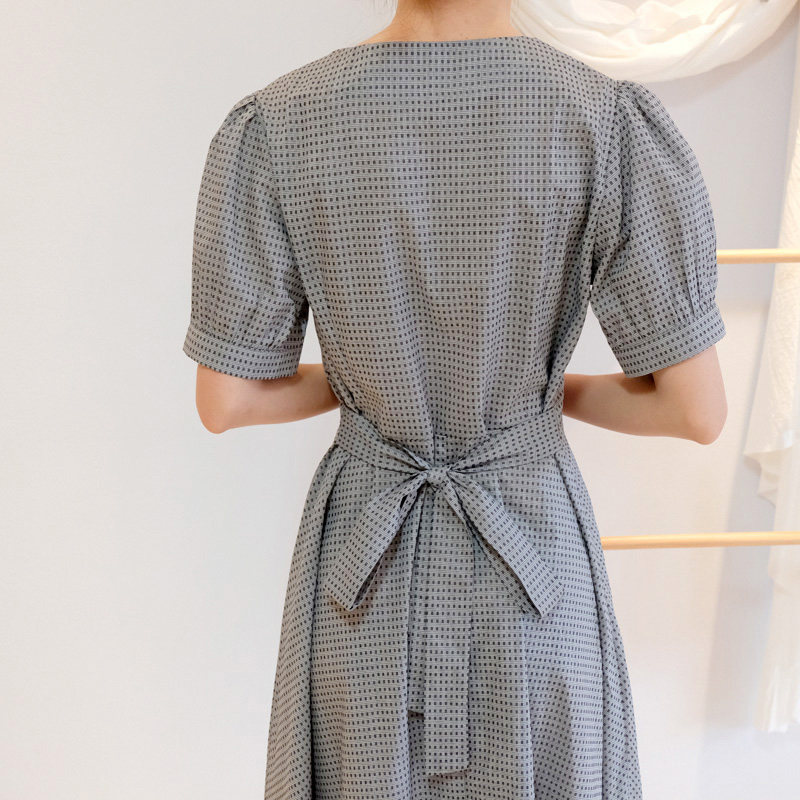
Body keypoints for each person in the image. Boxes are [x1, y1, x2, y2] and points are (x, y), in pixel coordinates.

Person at [181, 1, 727, 797]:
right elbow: (695, 410)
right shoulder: (606, 121)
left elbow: (226, 401)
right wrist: (542, 396)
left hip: (363, 577)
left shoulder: (279, 122)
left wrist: (370, 384)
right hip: (533, 567)